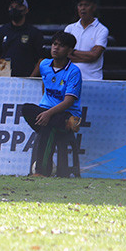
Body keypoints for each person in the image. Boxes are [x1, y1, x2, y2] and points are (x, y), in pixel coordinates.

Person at [21, 31, 82, 177]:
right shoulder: (44, 65)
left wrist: (49, 113)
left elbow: (69, 101)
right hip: (50, 113)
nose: (55, 48)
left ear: (69, 51)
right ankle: (66, 123)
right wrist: (46, 110)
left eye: (61, 46)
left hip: (67, 112)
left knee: (48, 126)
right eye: (54, 44)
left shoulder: (74, 71)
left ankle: (41, 172)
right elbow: (45, 85)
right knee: (26, 109)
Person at [0, 0, 43, 77]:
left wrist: (31, 78)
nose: (14, 9)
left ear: (26, 10)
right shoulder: (3, 30)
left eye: (18, 7)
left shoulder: (34, 33)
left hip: (26, 78)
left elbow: (41, 59)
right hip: (5, 78)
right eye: (11, 6)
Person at [64, 0, 109, 81]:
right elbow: (64, 54)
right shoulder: (69, 28)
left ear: (94, 7)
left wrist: (73, 52)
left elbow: (94, 55)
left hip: (92, 79)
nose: (83, 8)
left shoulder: (102, 30)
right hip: (70, 78)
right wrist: (88, 56)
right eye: (80, 5)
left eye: (86, 5)